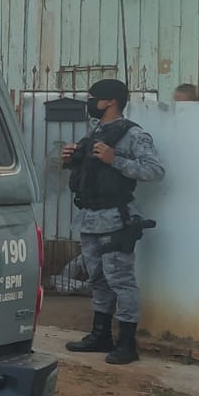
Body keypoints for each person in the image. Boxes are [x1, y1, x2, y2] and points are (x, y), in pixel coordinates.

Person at [60, 79, 165, 364]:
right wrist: (72, 158)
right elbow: (91, 171)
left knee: (121, 281)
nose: (89, 102)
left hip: (116, 219)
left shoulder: (133, 134)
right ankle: (100, 335)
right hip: (89, 218)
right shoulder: (95, 131)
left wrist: (114, 159)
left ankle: (127, 344)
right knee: (98, 280)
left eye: (93, 97)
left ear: (111, 101)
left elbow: (154, 170)